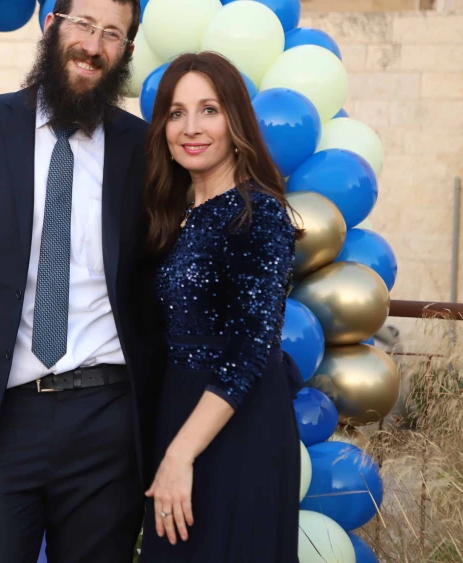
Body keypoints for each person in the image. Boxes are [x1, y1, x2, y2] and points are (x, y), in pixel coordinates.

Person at [0, 0, 162, 561]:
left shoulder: (144, 149)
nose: (94, 47)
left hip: (109, 421)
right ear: (52, 26)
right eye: (84, 26)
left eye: (113, 35)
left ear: (126, 52)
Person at [137, 51, 305, 562]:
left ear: (235, 121)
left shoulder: (259, 215)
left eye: (208, 110)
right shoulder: (178, 215)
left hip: (238, 428)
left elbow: (252, 348)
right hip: (180, 414)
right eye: (176, 112)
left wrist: (179, 454)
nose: (191, 127)